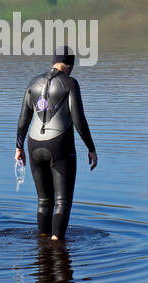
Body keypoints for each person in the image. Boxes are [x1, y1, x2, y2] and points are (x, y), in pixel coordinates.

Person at [15, 45, 97, 240]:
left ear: (54, 61)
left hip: (33, 145)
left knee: (43, 201)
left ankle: (43, 243)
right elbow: (78, 119)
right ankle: (56, 246)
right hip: (59, 145)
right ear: (70, 64)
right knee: (62, 202)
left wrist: (18, 147)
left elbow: (23, 120)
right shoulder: (70, 83)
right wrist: (91, 147)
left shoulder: (32, 83)